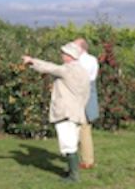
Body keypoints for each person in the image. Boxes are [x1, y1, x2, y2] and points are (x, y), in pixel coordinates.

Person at [22, 42, 90, 183]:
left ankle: (73, 176)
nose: (62, 55)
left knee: (68, 145)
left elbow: (49, 67)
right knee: (72, 143)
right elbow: (86, 95)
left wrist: (31, 61)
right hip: (77, 112)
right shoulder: (83, 71)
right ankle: (72, 171)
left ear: (69, 56)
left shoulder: (67, 70)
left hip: (65, 112)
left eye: (64, 53)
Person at [74, 37, 99, 170]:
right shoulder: (93, 59)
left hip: (82, 93)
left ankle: (87, 160)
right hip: (88, 92)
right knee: (84, 127)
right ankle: (84, 158)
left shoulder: (81, 61)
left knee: (83, 128)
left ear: (81, 48)